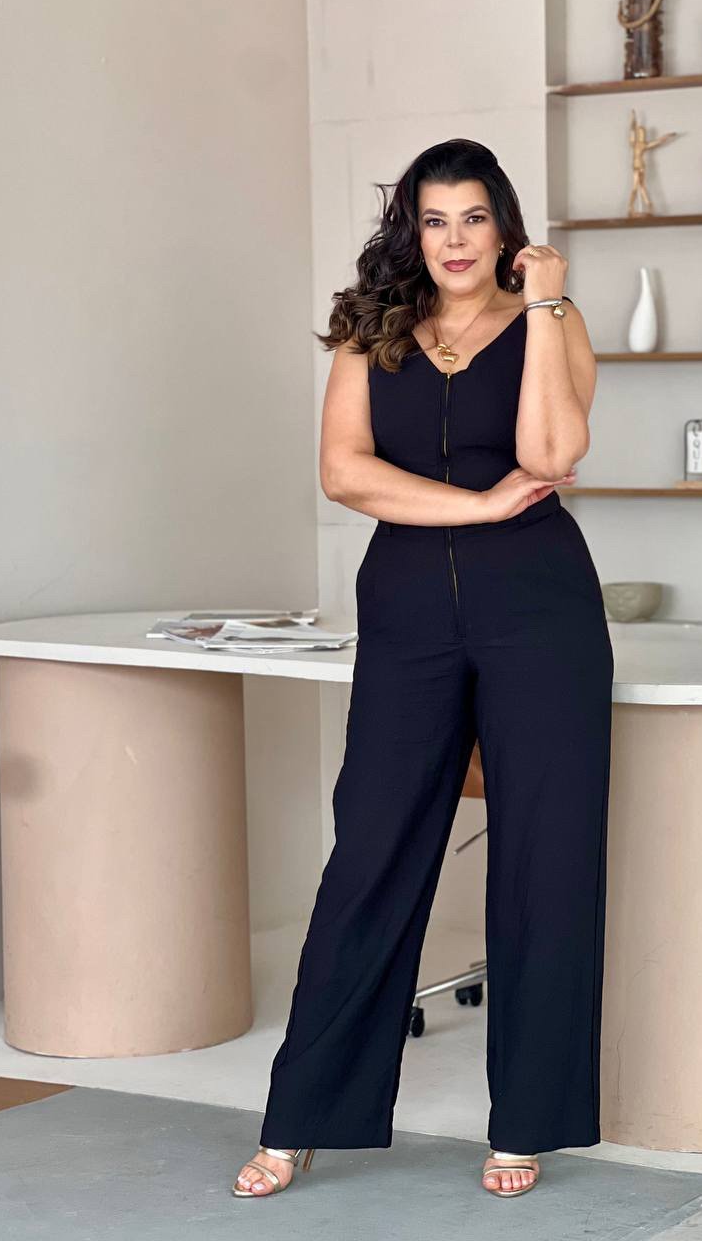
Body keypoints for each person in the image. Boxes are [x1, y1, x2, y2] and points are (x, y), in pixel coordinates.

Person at [232, 138, 614, 1201]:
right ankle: (303, 1115)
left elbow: (551, 455)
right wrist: (476, 508)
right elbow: (343, 471)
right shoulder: (374, 328)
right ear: (413, 229)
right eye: (434, 220)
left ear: (505, 228)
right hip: (406, 610)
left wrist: (545, 303)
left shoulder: (551, 321)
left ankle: (526, 1119)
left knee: (546, 859)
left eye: (473, 218)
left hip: (540, 610)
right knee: (372, 851)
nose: (453, 240)